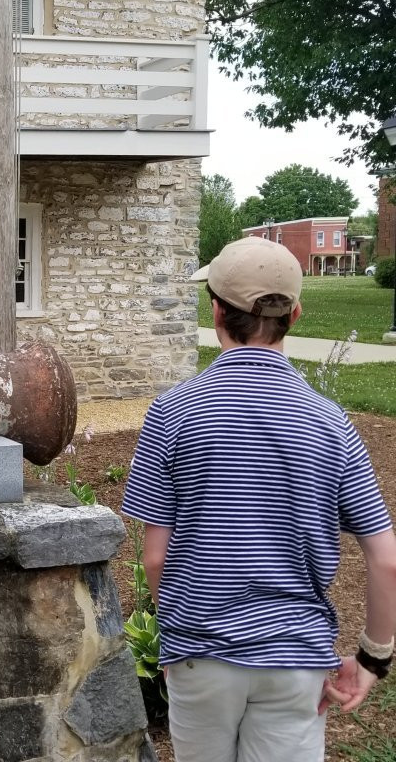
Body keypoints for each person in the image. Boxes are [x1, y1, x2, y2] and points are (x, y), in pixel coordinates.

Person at [122, 236, 396, 762]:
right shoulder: (332, 423)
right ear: (295, 313)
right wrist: (373, 658)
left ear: (217, 310)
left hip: (201, 656)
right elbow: (384, 557)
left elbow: (156, 555)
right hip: (295, 662)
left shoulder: (171, 413)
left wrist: (178, 632)